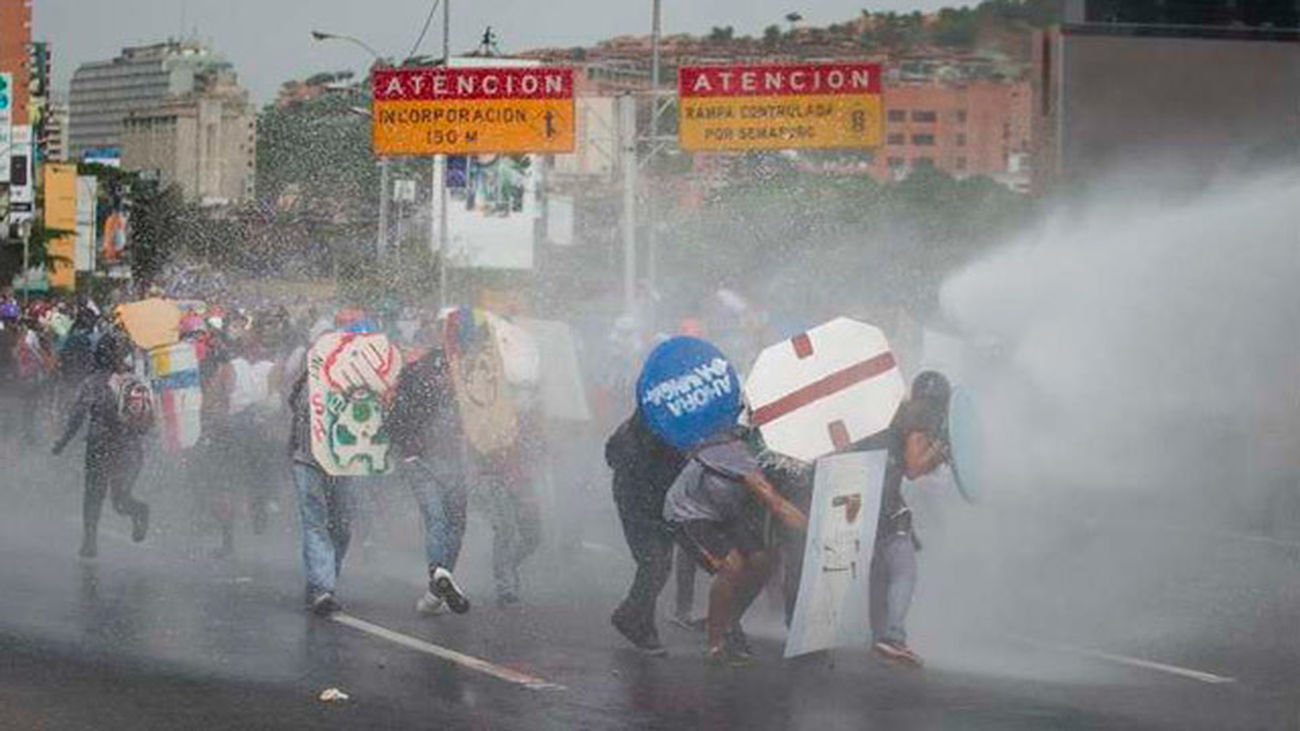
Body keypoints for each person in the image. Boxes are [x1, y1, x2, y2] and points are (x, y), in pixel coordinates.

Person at [664, 428, 808, 665]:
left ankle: (729, 621)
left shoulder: (758, 455)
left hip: (725, 512)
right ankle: (716, 644)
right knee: (732, 566)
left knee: (764, 561)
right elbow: (776, 504)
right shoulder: (738, 456)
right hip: (688, 512)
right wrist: (813, 532)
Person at [867, 370, 952, 668]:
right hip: (884, 496)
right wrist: (941, 452)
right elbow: (914, 467)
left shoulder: (896, 411)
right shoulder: (923, 417)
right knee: (903, 566)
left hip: (863, 488)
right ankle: (892, 637)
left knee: (880, 568)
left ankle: (881, 636)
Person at [51, 332, 154, 559]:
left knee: (93, 495)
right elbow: (147, 421)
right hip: (129, 449)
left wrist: (62, 443)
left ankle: (90, 542)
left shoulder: (93, 382)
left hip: (101, 447)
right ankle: (138, 511)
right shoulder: (134, 381)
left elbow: (77, 417)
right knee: (120, 500)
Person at [387, 345, 472, 616]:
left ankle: (437, 588)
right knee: (444, 521)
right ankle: (439, 573)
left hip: (440, 463)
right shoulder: (425, 389)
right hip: (429, 463)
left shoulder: (421, 388)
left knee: (448, 522)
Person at [605, 409, 687, 655]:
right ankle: (629, 616)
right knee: (653, 562)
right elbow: (614, 457)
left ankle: (643, 626)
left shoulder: (675, 427)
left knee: (659, 564)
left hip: (661, 502)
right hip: (636, 503)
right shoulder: (633, 431)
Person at [285, 340, 355, 616]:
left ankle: (323, 579)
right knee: (315, 523)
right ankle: (323, 589)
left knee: (342, 526)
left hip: (343, 464)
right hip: (307, 461)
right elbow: (297, 410)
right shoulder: (306, 384)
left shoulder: (355, 384)